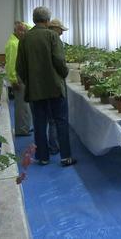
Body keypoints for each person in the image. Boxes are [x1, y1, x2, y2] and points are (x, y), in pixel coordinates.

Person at [16, 6, 77, 167]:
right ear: (48, 20)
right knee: (61, 121)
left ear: (34, 19)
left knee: (39, 123)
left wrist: (29, 81)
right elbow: (59, 61)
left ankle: (43, 157)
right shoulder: (52, 36)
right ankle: (66, 157)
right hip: (55, 88)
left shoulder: (24, 39)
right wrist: (63, 74)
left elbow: (20, 68)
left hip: (35, 90)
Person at [4, 21, 32, 136]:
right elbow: (11, 63)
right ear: (15, 31)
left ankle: (25, 126)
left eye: (24, 30)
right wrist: (13, 79)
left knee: (25, 104)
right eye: (20, 30)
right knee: (22, 105)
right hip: (18, 78)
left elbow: (30, 28)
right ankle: (21, 129)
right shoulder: (14, 44)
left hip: (20, 76)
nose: (23, 32)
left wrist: (23, 24)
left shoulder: (17, 41)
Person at [46, 18, 69, 155]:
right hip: (55, 84)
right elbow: (60, 62)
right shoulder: (55, 41)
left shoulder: (44, 40)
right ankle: (55, 146)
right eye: (61, 29)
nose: (62, 32)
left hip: (46, 84)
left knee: (50, 118)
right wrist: (65, 72)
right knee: (56, 118)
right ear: (54, 28)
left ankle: (51, 144)